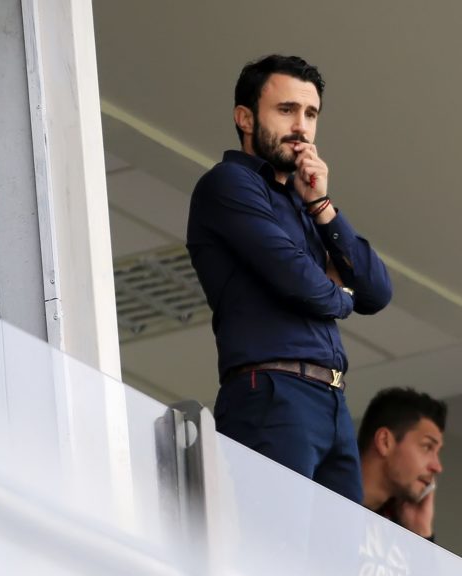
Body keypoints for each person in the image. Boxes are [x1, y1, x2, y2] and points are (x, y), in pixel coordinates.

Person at [187, 54, 392, 504]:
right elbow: (299, 280)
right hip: (272, 393)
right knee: (278, 543)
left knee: (338, 549)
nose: (301, 126)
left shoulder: (304, 202)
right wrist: (341, 294)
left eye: (310, 114)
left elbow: (377, 291)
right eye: (286, 110)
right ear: (245, 118)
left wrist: (322, 206)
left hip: (332, 401)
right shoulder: (229, 184)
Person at [357, 388, 446, 541]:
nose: (437, 467)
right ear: (385, 442)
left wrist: (421, 534)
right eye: (427, 447)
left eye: (437, 452)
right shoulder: (322, 496)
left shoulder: (399, 530)